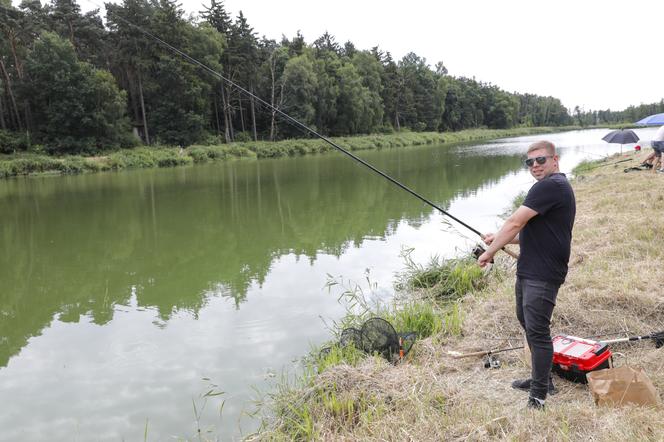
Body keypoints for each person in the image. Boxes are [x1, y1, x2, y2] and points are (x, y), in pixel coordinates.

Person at [477, 140, 576, 410]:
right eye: (529, 162)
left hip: (542, 273)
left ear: (555, 160)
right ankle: (541, 379)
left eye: (540, 160)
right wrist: (498, 238)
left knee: (538, 332)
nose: (534, 166)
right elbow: (531, 232)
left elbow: (515, 222)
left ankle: (540, 394)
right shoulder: (551, 188)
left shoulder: (551, 185)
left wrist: (489, 252)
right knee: (529, 325)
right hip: (530, 269)